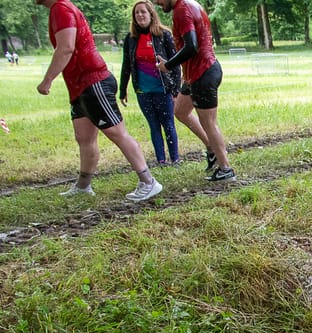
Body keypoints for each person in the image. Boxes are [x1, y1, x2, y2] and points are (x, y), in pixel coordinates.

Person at [35, 0, 162, 201]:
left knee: (117, 133)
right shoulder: (60, 9)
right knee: (84, 137)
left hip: (93, 82)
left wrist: (47, 80)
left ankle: (148, 182)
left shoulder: (61, 8)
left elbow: (66, 48)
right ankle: (83, 186)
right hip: (79, 86)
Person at [152, 0, 235, 182]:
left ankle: (226, 169)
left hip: (204, 72)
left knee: (209, 123)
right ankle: (211, 148)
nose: (157, 3)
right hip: (194, 74)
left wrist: (168, 65)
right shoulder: (190, 5)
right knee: (180, 111)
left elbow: (192, 46)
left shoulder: (182, 10)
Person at [120, 0, 182, 165]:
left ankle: (175, 159)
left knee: (168, 124)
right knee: (154, 126)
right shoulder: (131, 39)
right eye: (137, 13)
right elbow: (126, 65)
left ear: (151, 14)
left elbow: (175, 64)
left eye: (143, 12)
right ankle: (161, 160)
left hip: (163, 89)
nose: (140, 15)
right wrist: (122, 89)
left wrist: (176, 90)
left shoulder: (163, 35)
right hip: (143, 91)